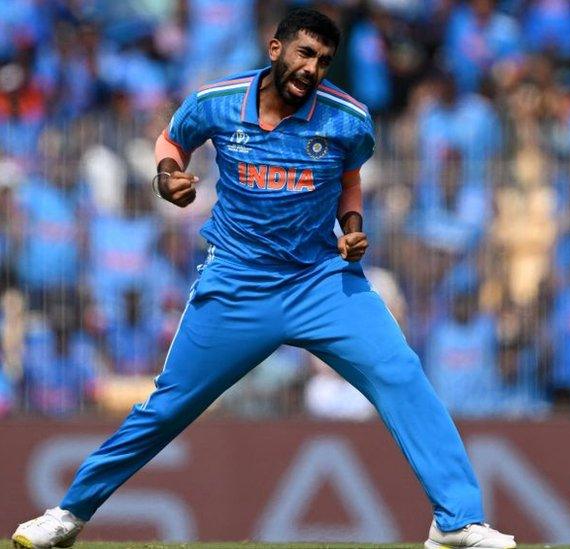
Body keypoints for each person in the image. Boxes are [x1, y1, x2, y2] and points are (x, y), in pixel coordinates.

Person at [11, 9, 515, 549]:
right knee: (167, 408)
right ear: (275, 50)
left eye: (323, 60)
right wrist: (167, 177)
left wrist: (352, 226)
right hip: (238, 282)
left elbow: (349, 176)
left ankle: (456, 521)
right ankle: (68, 514)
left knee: (402, 374)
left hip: (321, 281)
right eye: (303, 53)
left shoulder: (348, 118)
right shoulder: (217, 102)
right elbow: (170, 141)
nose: (312, 68)